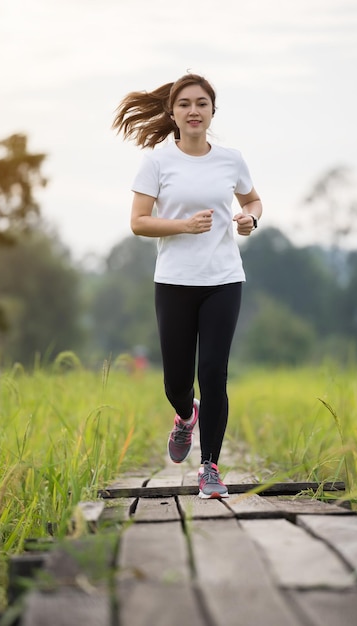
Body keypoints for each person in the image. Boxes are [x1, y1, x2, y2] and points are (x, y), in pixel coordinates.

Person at [113, 73, 262, 499]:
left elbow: (252, 200)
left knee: (213, 372)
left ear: (213, 111)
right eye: (184, 104)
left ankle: (210, 468)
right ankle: (184, 416)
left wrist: (251, 218)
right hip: (174, 281)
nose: (193, 111)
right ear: (172, 112)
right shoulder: (157, 162)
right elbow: (138, 222)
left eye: (201, 103)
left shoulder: (231, 159)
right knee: (177, 382)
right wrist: (183, 225)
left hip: (223, 279)